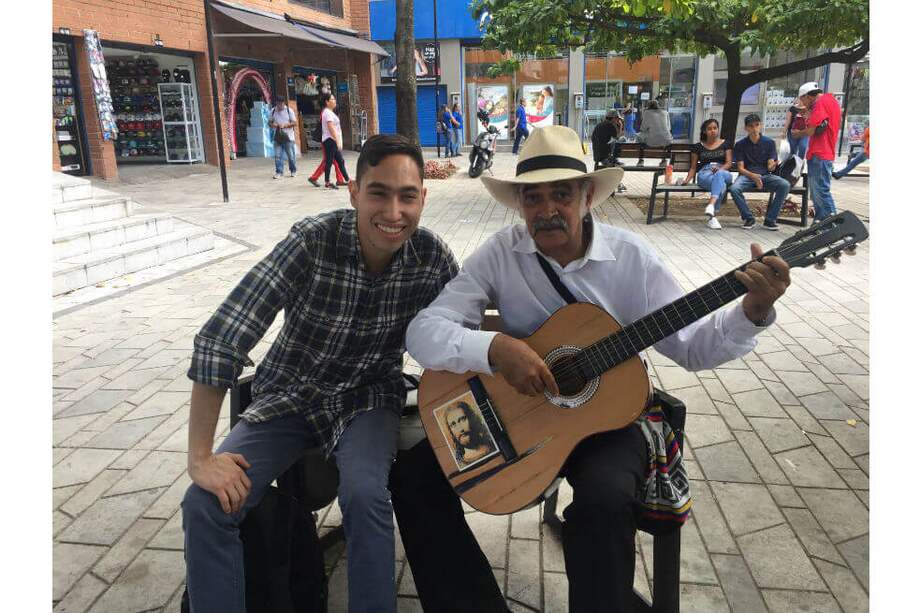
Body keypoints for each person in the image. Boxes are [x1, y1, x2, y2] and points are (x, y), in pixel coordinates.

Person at [390, 125, 790, 613]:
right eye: (533, 198)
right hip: (516, 413)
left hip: (606, 419)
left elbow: (691, 348)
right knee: (412, 478)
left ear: (587, 196)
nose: (547, 209)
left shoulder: (631, 259)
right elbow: (424, 332)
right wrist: (494, 349)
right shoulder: (501, 253)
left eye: (562, 194)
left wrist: (751, 311)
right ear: (519, 205)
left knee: (604, 501)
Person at [181, 134, 459, 613]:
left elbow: (464, 332)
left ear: (422, 199)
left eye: (407, 196)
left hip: (368, 398)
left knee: (367, 495)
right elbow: (222, 337)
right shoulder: (312, 241)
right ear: (353, 192)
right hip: (289, 394)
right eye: (378, 192)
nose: (393, 211)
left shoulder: (431, 258)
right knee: (204, 504)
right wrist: (200, 457)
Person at [728, 113, 790, 230]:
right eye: (751, 126)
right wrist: (754, 176)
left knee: (784, 185)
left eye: (757, 125)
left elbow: (770, 165)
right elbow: (740, 168)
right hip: (747, 175)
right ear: (746, 128)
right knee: (734, 189)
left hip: (765, 176)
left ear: (760, 125)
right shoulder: (740, 144)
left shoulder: (769, 142)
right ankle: (748, 218)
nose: (754, 128)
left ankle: (770, 220)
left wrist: (774, 164)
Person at [790, 81, 841, 222]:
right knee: (818, 192)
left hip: (820, 153)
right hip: (824, 152)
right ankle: (821, 222)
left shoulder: (820, 103)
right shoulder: (831, 100)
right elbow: (821, 126)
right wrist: (808, 114)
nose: (803, 104)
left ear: (808, 96)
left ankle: (835, 225)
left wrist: (797, 134)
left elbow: (812, 130)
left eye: (803, 100)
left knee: (820, 191)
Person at [683, 118, 733, 230]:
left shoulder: (726, 143)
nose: (713, 131)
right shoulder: (698, 146)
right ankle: (712, 217)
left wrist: (720, 169)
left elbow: (729, 163)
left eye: (715, 128)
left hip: (723, 171)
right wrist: (687, 180)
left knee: (720, 175)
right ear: (705, 131)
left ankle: (710, 205)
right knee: (722, 185)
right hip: (706, 173)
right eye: (709, 129)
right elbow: (693, 167)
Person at [443, 401, 494, 467]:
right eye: (453, 424)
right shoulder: (460, 465)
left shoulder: (494, 445)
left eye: (462, 419)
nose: (460, 429)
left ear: (472, 419)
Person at [319, 92, 350, 189]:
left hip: (331, 140)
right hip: (330, 140)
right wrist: (337, 141)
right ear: (327, 102)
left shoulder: (329, 112)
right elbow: (331, 128)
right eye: (332, 99)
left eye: (334, 99)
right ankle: (327, 182)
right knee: (329, 161)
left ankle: (348, 179)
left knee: (340, 161)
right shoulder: (327, 113)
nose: (334, 101)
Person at [269, 96, 297, 179]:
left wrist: (285, 125)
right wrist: (274, 125)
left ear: (284, 103)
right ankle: (279, 172)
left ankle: (293, 170)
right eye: (278, 104)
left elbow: (294, 123)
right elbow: (269, 122)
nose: (279, 106)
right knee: (277, 156)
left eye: (281, 104)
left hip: (288, 137)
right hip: (277, 137)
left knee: (291, 156)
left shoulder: (289, 110)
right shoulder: (273, 111)